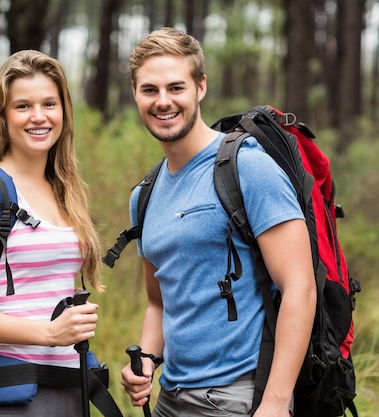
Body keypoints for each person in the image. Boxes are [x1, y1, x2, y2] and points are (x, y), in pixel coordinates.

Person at [119, 28, 317, 417]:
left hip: (236, 399)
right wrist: (145, 359)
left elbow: (300, 287)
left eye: (176, 87)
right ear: (135, 94)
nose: (163, 102)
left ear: (200, 87)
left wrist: (275, 402)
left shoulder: (249, 167)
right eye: (150, 90)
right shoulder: (143, 195)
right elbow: (158, 302)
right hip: (170, 398)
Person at [0, 49, 103, 416]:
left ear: (64, 111)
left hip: (71, 385)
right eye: (23, 106)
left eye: (49, 104)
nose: (38, 117)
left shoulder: (64, 191)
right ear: (3, 117)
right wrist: (48, 334)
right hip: (12, 393)